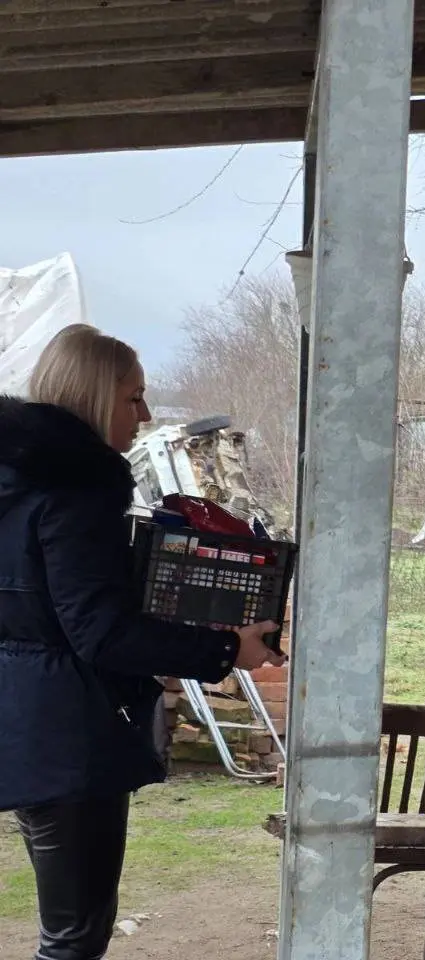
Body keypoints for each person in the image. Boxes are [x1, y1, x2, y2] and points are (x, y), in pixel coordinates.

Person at [0, 324, 283, 960]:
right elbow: (100, 629)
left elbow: (53, 607)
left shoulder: (17, 481)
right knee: (74, 938)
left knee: (68, 931)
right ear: (94, 395)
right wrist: (225, 650)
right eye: (133, 397)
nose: (146, 414)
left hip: (25, 718)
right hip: (68, 731)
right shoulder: (78, 486)